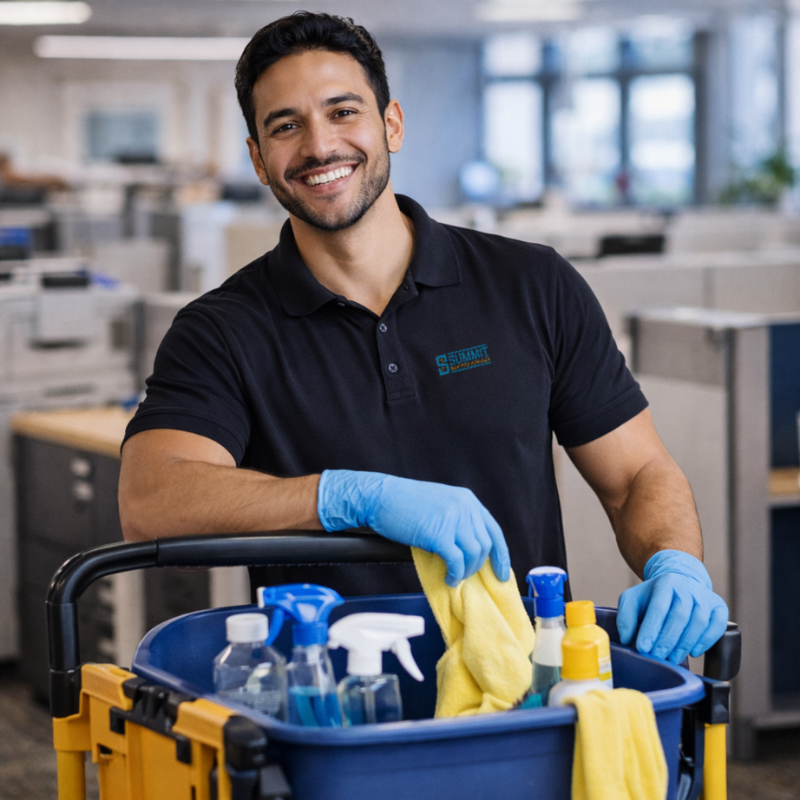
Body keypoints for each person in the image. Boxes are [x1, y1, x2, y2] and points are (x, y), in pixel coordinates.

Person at [119, 12, 728, 666]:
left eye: (343, 111)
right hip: (332, 707)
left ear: (392, 124)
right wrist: (345, 496)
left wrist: (674, 563)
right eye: (286, 126)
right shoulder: (223, 329)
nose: (320, 146)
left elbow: (636, 472)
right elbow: (151, 503)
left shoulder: (531, 283)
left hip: (523, 686)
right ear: (259, 161)